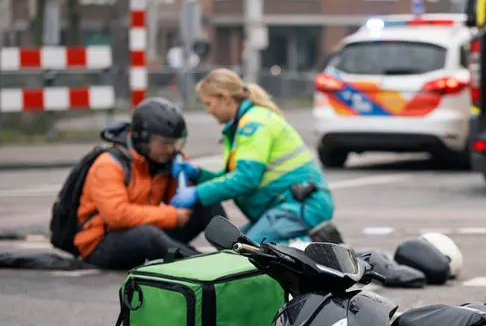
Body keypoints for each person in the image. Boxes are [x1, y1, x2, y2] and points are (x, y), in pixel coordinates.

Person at [170, 68, 340, 244]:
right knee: (236, 247)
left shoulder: (253, 124)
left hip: (301, 205)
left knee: (249, 254)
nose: (208, 110)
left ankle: (308, 245)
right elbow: (234, 177)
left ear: (224, 98)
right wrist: (198, 174)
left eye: (209, 103)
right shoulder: (244, 123)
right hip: (291, 204)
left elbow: (246, 179)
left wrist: (197, 193)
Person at [75, 98, 225, 270]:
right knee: (147, 235)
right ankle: (207, 269)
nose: (171, 149)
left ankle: (239, 255)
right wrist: (171, 216)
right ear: (143, 140)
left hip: (146, 231)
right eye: (164, 143)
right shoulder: (109, 164)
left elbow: (178, 201)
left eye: (174, 143)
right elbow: (116, 215)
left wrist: (183, 176)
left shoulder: (165, 157)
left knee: (205, 199)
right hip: (101, 243)